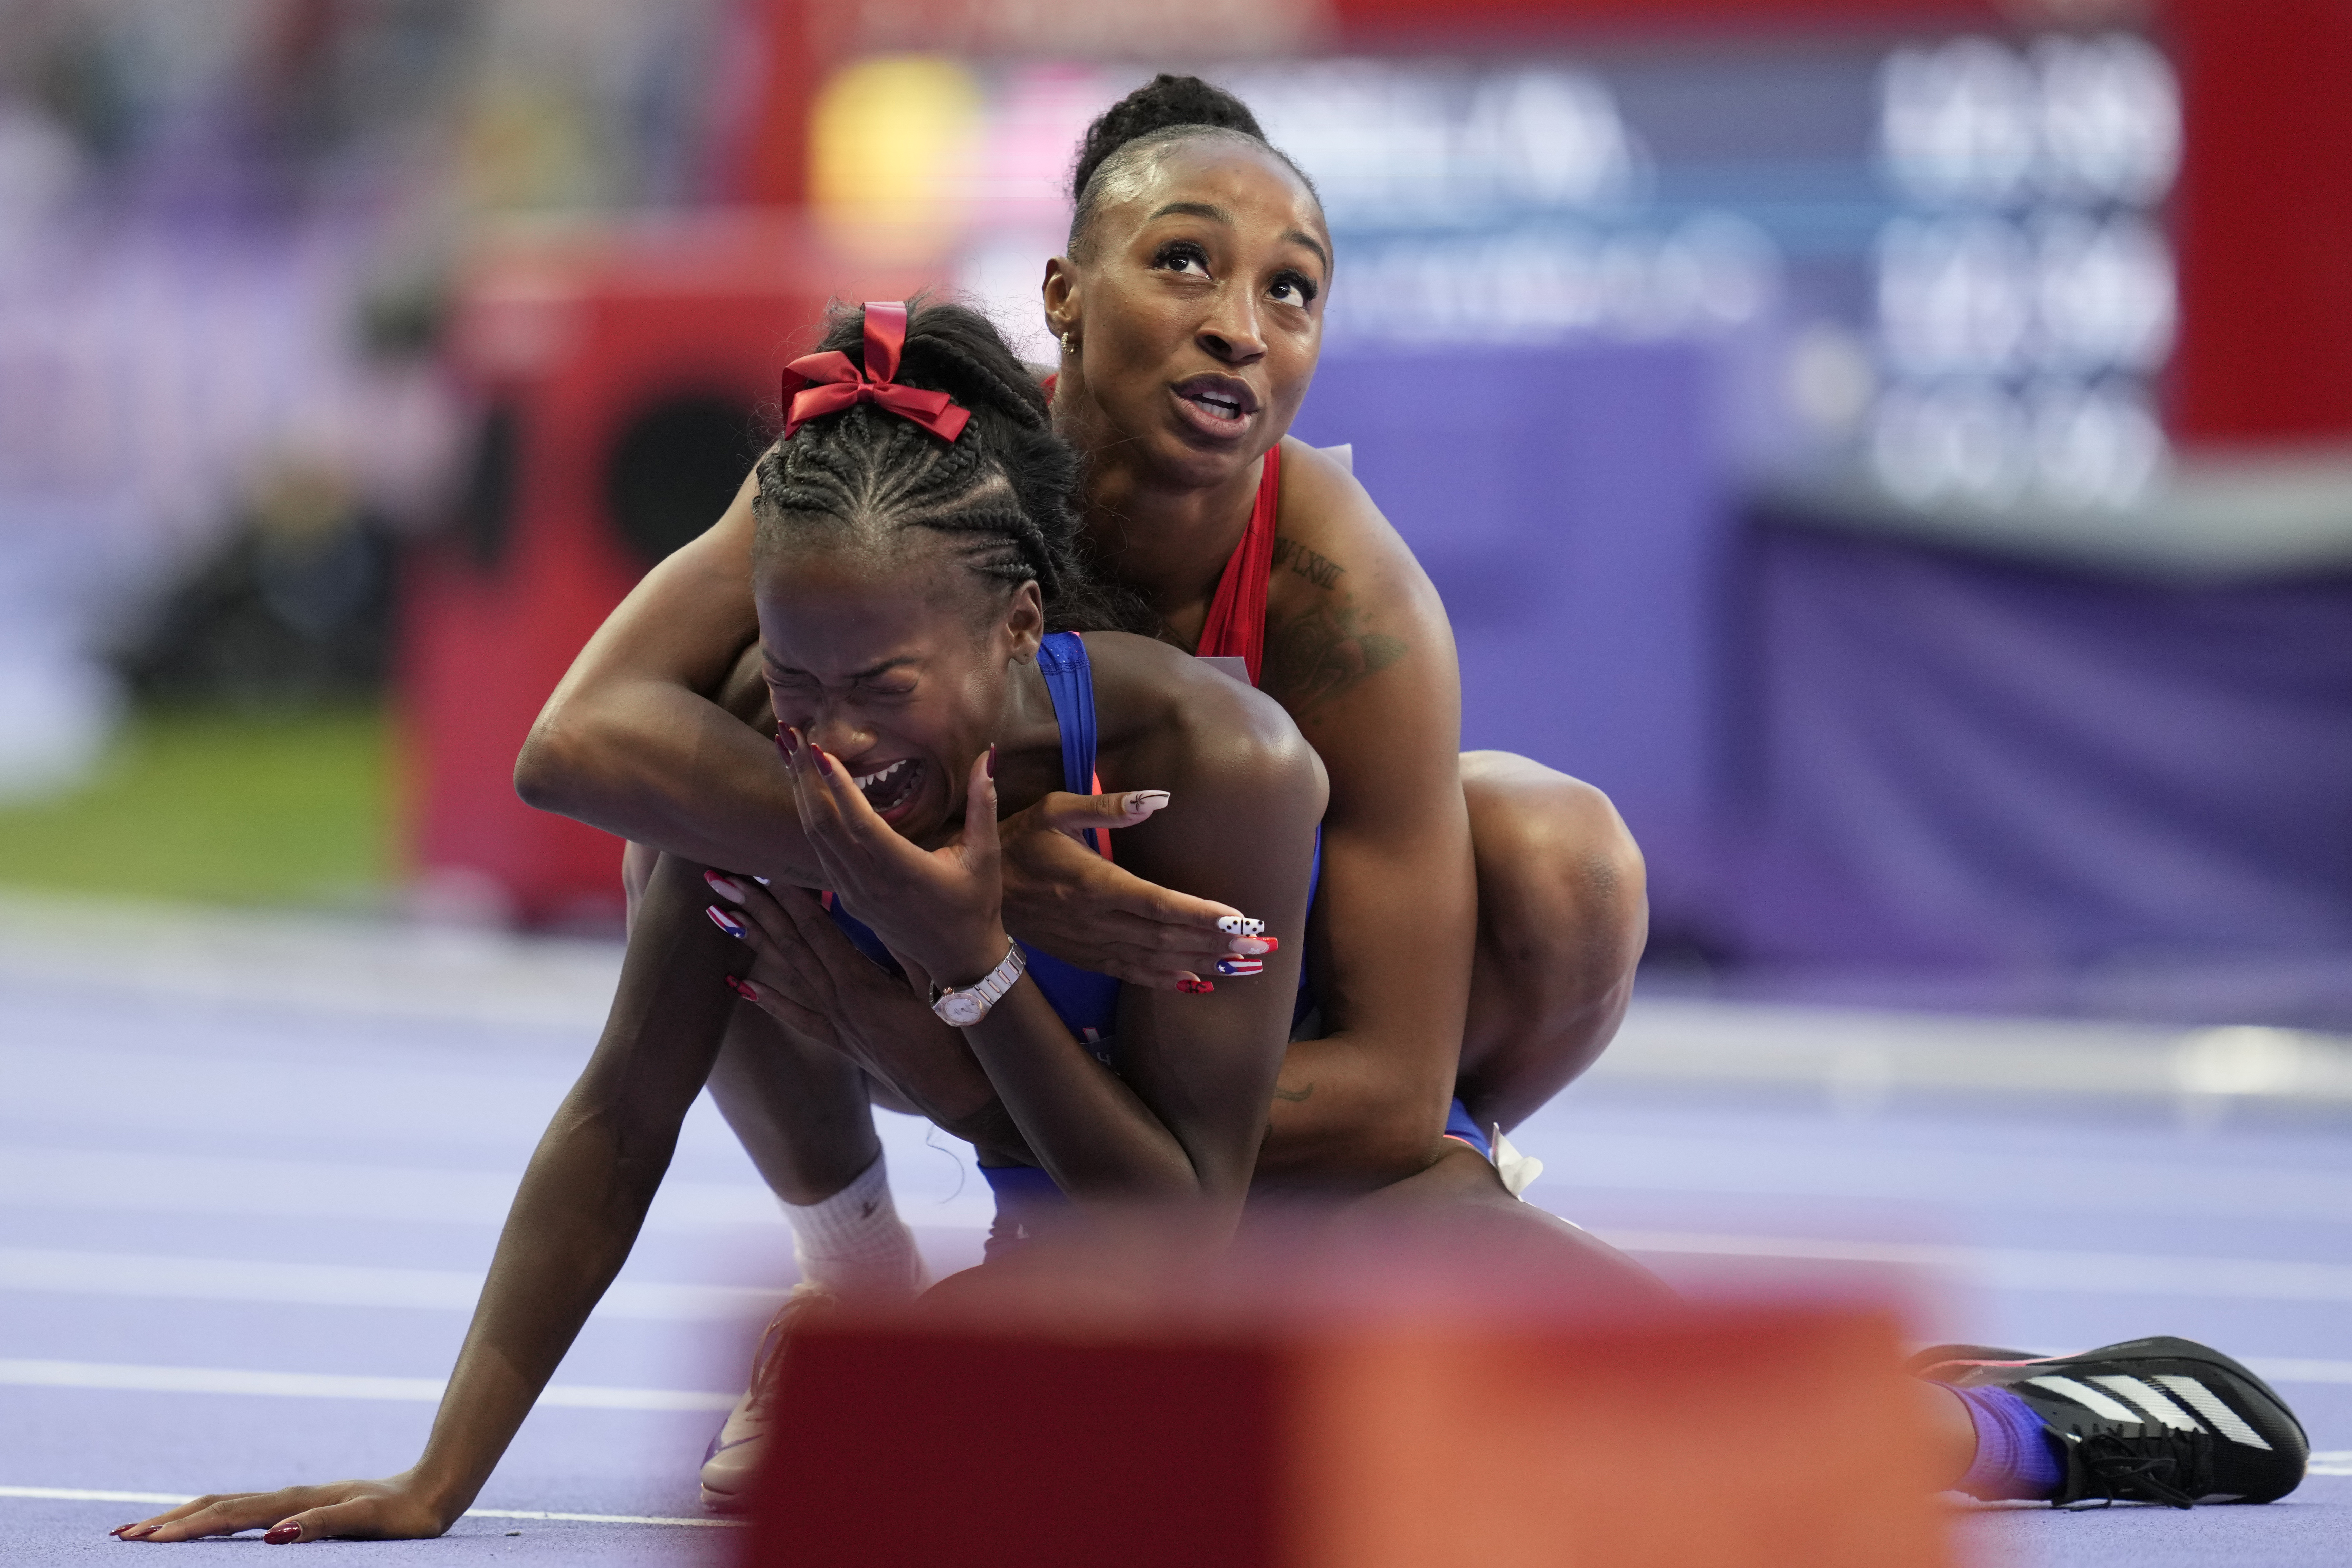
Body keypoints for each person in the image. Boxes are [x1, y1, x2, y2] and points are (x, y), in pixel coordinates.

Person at [111, 300, 1659, 1547]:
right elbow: (618, 1105)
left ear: (1018, 630)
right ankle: (876, 1292)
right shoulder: (775, 759)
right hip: (1078, 1228)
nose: (836, 742)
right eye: (798, 685)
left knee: (1761, 1412)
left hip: (1266, 1194)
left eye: (883, 693)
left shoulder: (1220, 760)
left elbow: (1190, 1221)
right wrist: (436, 1479)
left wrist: (970, 969)